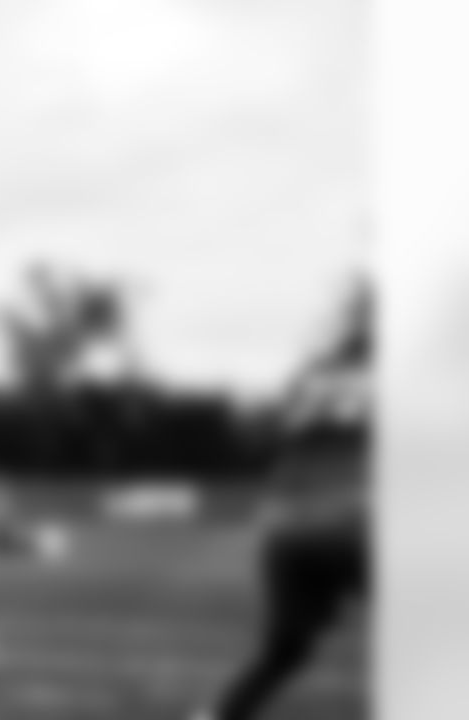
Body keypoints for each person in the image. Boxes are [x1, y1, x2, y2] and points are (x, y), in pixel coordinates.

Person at [191, 282, 371, 720]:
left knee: (284, 650)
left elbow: (259, 434)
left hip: (286, 530)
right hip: (354, 520)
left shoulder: (311, 376)